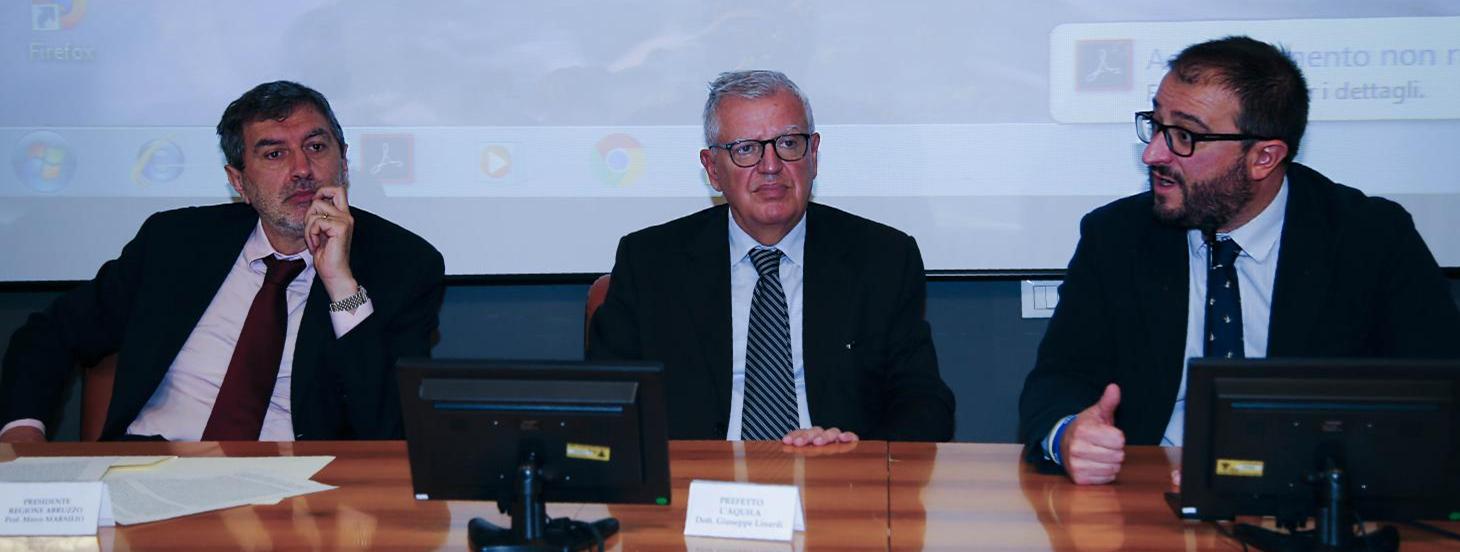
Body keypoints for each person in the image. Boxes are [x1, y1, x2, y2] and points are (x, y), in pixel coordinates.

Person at [1019, 36, 1460, 484]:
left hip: (1307, 496)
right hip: (1149, 489)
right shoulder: (1116, 235)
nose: (1153, 154)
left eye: (1185, 136)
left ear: (1264, 157)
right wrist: (1068, 434)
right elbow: (1059, 379)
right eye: (1155, 125)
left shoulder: (1370, 238)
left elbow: (1439, 396)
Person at [0, 81, 445, 442]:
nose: (302, 169)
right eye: (274, 153)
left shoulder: (402, 265)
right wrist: (21, 431)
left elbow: (390, 427)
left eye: (316, 146)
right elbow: (49, 334)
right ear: (239, 182)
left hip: (297, 488)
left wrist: (340, 284)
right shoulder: (174, 243)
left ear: (343, 162)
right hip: (149, 467)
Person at [588, 70, 955, 446]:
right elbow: (600, 405)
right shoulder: (650, 264)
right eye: (746, 149)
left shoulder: (882, 259)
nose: (770, 166)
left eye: (788, 143)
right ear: (713, 169)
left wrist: (855, 452)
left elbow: (925, 404)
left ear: (813, 154)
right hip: (697, 478)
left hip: (833, 472)